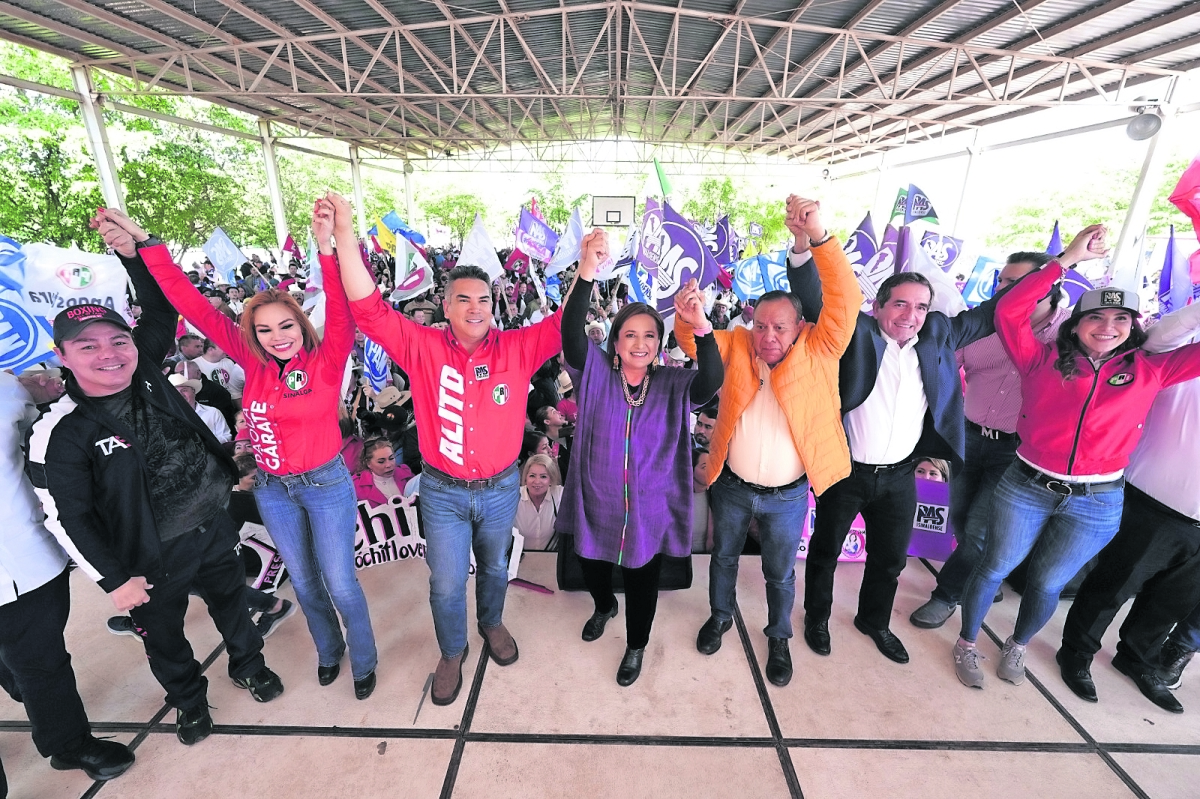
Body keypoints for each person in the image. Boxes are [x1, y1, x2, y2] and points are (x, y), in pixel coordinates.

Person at [106, 198, 380, 701]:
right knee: (302, 580)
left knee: (341, 583)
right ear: (252, 335)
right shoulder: (250, 365)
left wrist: (325, 246)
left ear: (302, 326)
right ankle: (327, 650)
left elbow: (341, 302)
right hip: (274, 489)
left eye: (286, 326)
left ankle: (363, 659)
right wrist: (147, 246)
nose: (277, 338)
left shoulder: (327, 358)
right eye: (264, 330)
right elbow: (193, 305)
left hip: (325, 485)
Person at [29, 218, 283, 748]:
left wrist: (132, 255)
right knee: (164, 638)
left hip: (212, 523)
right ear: (63, 357)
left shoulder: (143, 365)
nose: (109, 354)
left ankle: (248, 666)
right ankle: (189, 702)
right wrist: (113, 578)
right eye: (88, 347)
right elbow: (71, 517)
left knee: (233, 603)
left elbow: (161, 307)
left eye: (117, 340)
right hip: (149, 556)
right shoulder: (64, 433)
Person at [336, 198, 565, 708]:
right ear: (446, 304)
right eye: (463, 299)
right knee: (444, 582)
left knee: (495, 567)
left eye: (483, 298)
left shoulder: (518, 349)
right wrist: (347, 234)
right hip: (442, 493)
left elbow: (563, 325)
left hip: (502, 487)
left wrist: (589, 268)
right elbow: (368, 309)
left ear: (493, 303)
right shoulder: (420, 345)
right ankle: (451, 650)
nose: (476, 307)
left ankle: (492, 622)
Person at [952, 225, 1200, 691]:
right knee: (993, 566)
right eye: (1097, 317)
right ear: (1076, 322)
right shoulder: (1039, 358)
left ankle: (1019, 644)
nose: (1108, 327)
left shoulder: (1149, 368)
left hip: (1097, 501)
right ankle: (967, 642)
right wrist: (1064, 260)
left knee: (1046, 584)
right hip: (1026, 485)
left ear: (1134, 326)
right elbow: (1008, 309)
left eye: (1120, 320)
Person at [792, 211, 1006, 667]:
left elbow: (995, 313)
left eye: (921, 307)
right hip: (845, 472)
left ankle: (874, 621)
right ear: (879, 307)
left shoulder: (937, 339)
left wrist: (1062, 263)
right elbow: (816, 301)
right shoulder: (858, 334)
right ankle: (817, 618)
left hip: (900, 478)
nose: (911, 315)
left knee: (889, 561)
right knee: (825, 553)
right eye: (900, 305)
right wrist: (804, 244)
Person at [679, 196, 860, 687]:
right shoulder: (738, 344)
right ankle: (719, 617)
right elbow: (691, 340)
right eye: (760, 325)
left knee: (780, 573)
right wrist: (690, 315)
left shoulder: (821, 347)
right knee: (723, 559)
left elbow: (846, 298)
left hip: (788, 495)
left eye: (779, 327)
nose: (767, 336)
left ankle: (778, 635)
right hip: (732, 486)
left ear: (799, 327)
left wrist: (817, 237)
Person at [558, 230, 723, 686]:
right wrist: (588, 271)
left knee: (641, 579)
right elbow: (571, 334)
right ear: (614, 341)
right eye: (629, 333)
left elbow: (710, 381)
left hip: (649, 505)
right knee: (592, 564)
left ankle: (636, 646)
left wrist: (703, 327)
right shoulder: (593, 373)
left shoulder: (672, 384)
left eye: (649, 335)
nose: (640, 342)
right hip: (597, 497)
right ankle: (603, 606)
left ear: (658, 343)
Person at [909, 252, 1070, 630]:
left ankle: (946, 595)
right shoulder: (984, 326)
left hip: (1016, 452)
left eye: (1016, 284)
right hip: (966, 437)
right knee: (960, 521)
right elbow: (946, 368)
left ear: (1049, 287)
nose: (1003, 291)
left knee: (981, 530)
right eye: (1002, 282)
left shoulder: (1069, 337)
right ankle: (979, 573)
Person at [1056, 296, 1200, 713]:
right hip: (1152, 505)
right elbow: (1159, 336)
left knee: (1171, 603)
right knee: (1111, 588)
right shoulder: (1180, 357)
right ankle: (1076, 654)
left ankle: (1138, 660)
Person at [0, 371, 136, 788]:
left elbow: (38, 433)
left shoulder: (6, 387)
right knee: (36, 664)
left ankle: (63, 737)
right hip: (20, 564)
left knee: (38, 659)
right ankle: (68, 740)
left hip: (25, 561)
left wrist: (36, 390)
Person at [514, 454, 563, 551]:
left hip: (551, 559)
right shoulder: (514, 497)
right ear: (525, 478)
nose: (537, 481)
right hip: (520, 559)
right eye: (532, 476)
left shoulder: (560, 494)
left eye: (543, 476)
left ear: (551, 479)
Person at [169, 373, 231, 443]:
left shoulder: (213, 413)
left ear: (193, 391)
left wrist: (206, 442)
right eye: (176, 392)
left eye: (184, 390)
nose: (180, 394)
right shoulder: (167, 416)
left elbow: (226, 437)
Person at [353, 438, 414, 507]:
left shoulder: (406, 474)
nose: (388, 465)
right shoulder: (356, 485)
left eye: (391, 458)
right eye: (381, 462)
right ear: (368, 463)